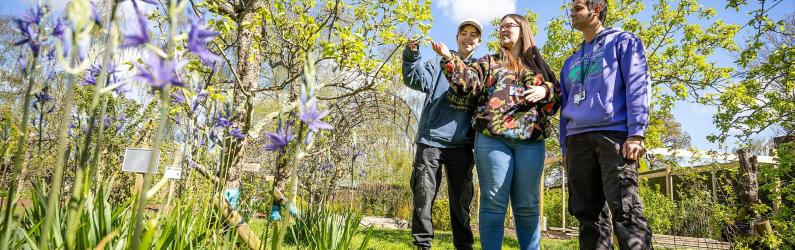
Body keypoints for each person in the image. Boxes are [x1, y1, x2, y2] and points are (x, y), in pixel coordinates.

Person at [432, 14, 560, 250]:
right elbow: (466, 85)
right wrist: (450, 58)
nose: (503, 29)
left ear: (522, 29)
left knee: (528, 205)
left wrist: (546, 91)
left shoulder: (539, 66)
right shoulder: (489, 62)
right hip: (492, 141)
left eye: (508, 25)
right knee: (493, 203)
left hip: (531, 141)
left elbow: (556, 100)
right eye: (500, 27)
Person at [559, 0, 653, 249]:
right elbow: (564, 108)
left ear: (596, 10)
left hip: (614, 136)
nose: (572, 13)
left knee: (626, 210)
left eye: (578, 8)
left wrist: (636, 133)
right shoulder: (570, 62)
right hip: (577, 141)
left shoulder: (624, 42)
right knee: (587, 215)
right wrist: (565, 149)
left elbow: (638, 86)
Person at [402, 18, 483, 250]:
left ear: (479, 42)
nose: (468, 38)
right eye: (464, 33)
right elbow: (414, 79)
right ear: (457, 37)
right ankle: (422, 245)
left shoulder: (480, 68)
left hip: (462, 144)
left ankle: (463, 246)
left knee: (461, 201)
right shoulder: (437, 63)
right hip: (431, 141)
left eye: (473, 34)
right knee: (423, 197)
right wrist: (411, 55)